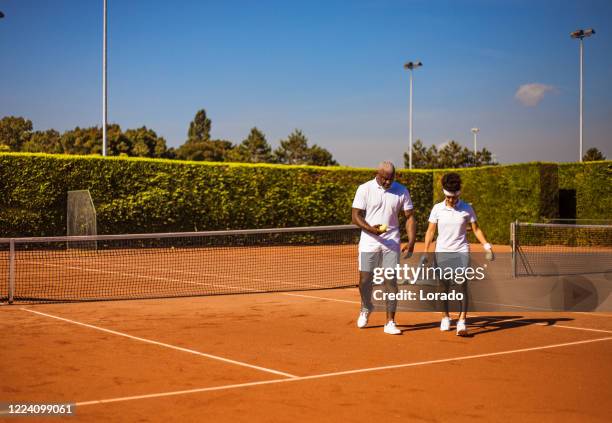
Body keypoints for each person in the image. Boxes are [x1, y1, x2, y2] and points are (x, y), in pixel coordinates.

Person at [421, 172, 494, 336]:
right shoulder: (437, 209)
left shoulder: (467, 209)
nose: (452, 201)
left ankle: (462, 321)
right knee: (443, 288)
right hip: (442, 253)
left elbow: (476, 229)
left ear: (458, 195)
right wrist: (426, 251)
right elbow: (430, 231)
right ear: (445, 194)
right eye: (449, 198)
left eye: (454, 198)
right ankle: (445, 317)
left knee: (461, 286)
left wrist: (487, 246)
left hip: (461, 252)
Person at [351, 161, 416, 335]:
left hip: (391, 243)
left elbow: (409, 217)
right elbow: (355, 216)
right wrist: (371, 229)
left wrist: (411, 241)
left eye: (391, 178)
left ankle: (390, 322)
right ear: (377, 174)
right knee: (365, 281)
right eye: (384, 178)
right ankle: (366, 306)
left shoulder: (401, 190)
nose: (388, 182)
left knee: (390, 281)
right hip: (369, 241)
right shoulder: (364, 189)